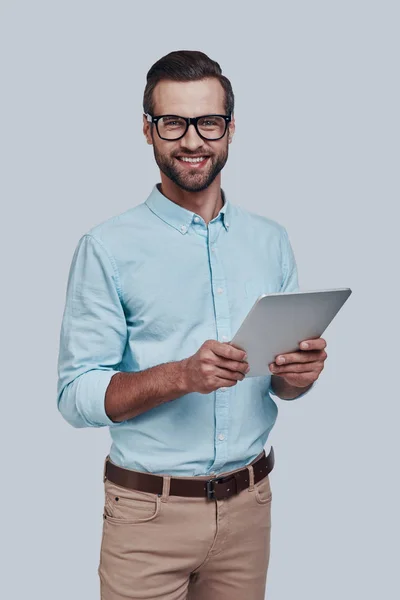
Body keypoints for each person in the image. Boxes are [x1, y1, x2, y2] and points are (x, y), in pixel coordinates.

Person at [56, 49, 327, 600]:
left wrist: (299, 375)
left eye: (209, 122)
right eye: (173, 122)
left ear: (230, 128)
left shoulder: (270, 240)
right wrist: (182, 375)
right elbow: (74, 395)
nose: (193, 140)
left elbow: (282, 383)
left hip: (251, 509)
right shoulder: (107, 248)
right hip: (147, 517)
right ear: (147, 129)